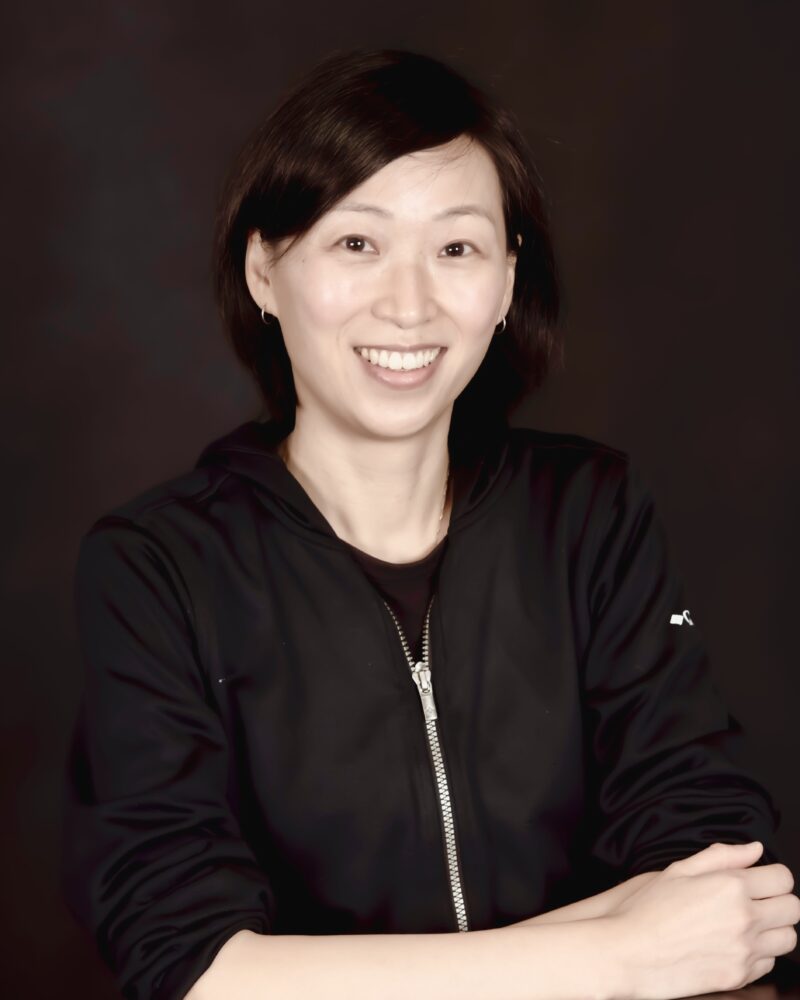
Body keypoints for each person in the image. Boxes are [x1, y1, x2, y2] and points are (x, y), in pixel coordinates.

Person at [59, 47, 799, 1000]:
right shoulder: (157, 567)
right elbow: (193, 967)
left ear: (503, 285)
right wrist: (613, 955)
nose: (409, 305)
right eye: (356, 243)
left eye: (456, 248)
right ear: (264, 272)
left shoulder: (588, 512)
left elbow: (723, 886)